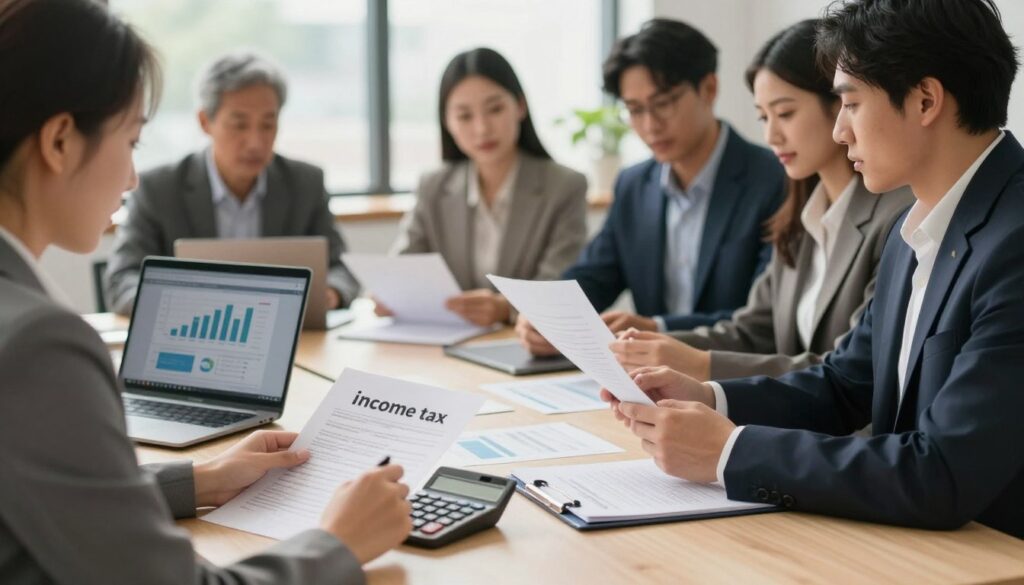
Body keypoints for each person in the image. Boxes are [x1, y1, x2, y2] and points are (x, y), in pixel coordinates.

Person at [0, 0, 411, 582]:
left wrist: (202, 479)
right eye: (132, 140)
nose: (132, 176)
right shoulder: (38, 344)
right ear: (61, 141)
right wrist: (337, 543)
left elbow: (48, 491)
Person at [603, 0, 1023, 537]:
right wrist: (709, 397)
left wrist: (729, 450)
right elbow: (844, 384)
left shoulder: (1013, 242)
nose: (841, 130)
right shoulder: (915, 227)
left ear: (924, 100)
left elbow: (940, 471)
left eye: (850, 104)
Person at [609, 20, 914, 381]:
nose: (771, 135)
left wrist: (699, 365)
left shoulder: (897, 216)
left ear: (840, 104)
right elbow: (753, 332)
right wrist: (654, 346)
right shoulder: (799, 216)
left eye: (785, 114)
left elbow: (854, 373)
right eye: (763, 116)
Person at [517, 18, 786, 355]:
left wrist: (659, 329)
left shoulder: (775, 180)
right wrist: (549, 318)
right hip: (646, 383)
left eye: (663, 104)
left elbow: (767, 319)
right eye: (634, 109)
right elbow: (594, 277)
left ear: (709, 89)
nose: (650, 125)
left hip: (732, 377)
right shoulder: (634, 184)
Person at [103, 50, 360, 316]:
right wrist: (179, 303)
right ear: (205, 122)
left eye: (268, 125)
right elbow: (122, 282)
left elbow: (343, 269)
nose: (255, 142)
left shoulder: (305, 183)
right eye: (239, 125)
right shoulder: (159, 189)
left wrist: (329, 293)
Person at [386, 47, 588, 327]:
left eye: (494, 109)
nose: (481, 129)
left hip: (525, 344)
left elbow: (559, 284)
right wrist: (389, 294)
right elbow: (403, 267)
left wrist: (505, 309)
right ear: (447, 122)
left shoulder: (564, 186)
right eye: (464, 116)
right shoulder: (433, 185)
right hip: (445, 342)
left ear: (519, 106)